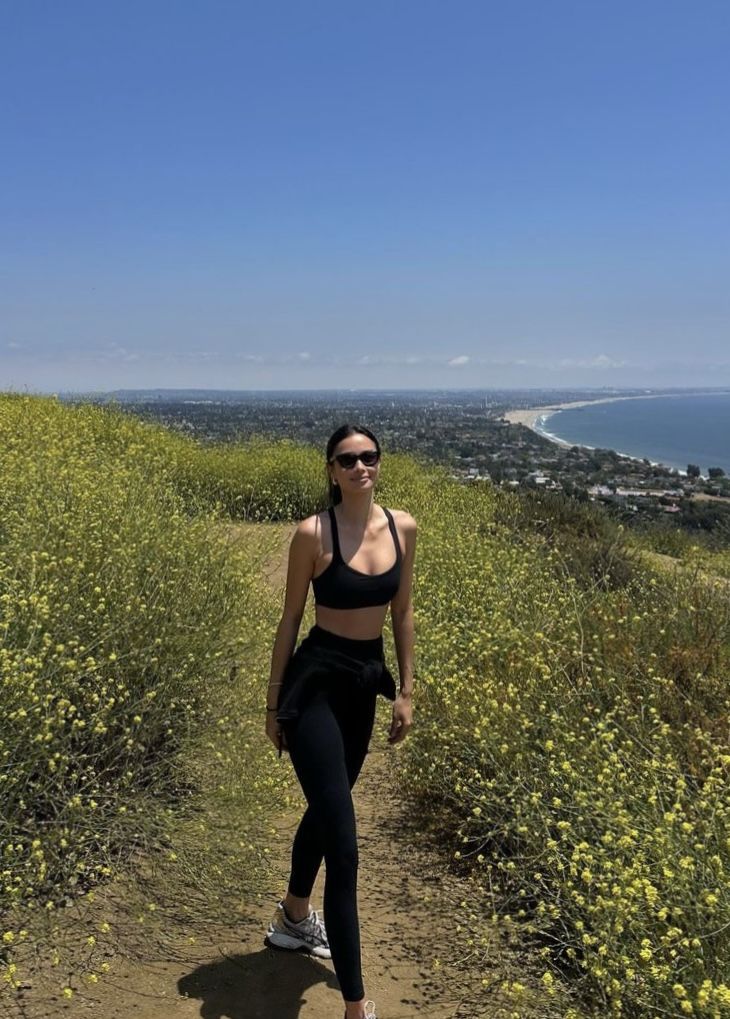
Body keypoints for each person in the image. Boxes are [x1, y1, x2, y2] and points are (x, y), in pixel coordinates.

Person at [264, 424, 416, 1019]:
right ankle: (356, 1006)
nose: (361, 467)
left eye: (369, 457)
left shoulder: (403, 528)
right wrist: (273, 701)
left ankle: (292, 918)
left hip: (362, 687)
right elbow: (289, 619)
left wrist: (406, 690)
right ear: (330, 470)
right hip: (317, 688)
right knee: (345, 847)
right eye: (347, 460)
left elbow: (402, 612)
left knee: (328, 808)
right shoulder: (313, 533)